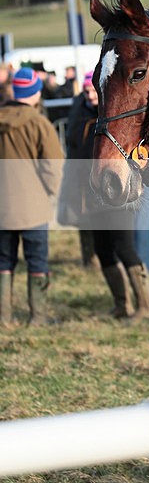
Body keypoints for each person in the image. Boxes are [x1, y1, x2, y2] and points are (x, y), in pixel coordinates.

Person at [60, 71, 149, 319]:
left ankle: (146, 306)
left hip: (117, 190)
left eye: (93, 91)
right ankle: (122, 305)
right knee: (102, 249)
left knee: (124, 247)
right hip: (91, 191)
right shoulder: (79, 113)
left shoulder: (115, 116)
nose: (89, 96)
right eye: (86, 91)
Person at [0, 67, 63, 326]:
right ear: (36, 93)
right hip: (33, 207)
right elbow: (53, 166)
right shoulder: (39, 123)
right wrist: (52, 192)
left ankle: (3, 317)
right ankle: (38, 316)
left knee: (3, 262)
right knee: (37, 261)